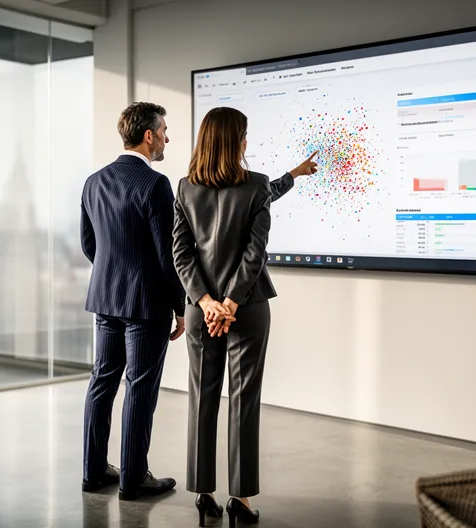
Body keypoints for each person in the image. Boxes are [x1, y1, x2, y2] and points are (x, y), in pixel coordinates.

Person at [172, 106, 318, 526]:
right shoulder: (255, 187)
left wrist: (205, 301)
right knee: (244, 399)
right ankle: (241, 499)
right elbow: (256, 254)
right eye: (245, 135)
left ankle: (203, 493)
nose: (248, 142)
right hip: (248, 308)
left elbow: (180, 254)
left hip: (201, 313)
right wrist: (231, 303)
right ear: (236, 141)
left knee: (202, 399)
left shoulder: (184, 188)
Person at [80, 102, 185, 501]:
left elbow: (90, 244)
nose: (166, 138)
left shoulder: (93, 181)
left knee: (101, 383)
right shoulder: (155, 184)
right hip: (146, 305)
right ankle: (133, 478)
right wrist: (180, 305)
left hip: (105, 299)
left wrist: (113, 275)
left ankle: (92, 472)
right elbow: (166, 254)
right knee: (140, 387)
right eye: (163, 131)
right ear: (148, 136)